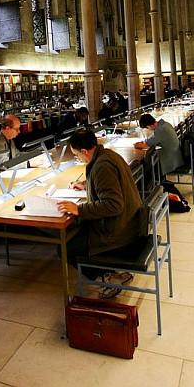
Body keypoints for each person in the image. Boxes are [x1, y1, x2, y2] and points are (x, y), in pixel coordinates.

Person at [58, 128, 142, 298]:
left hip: (120, 231)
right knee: (78, 232)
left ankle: (107, 277)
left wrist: (79, 209)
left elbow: (113, 205)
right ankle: (112, 273)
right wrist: (87, 184)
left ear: (84, 151)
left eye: (76, 155)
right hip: (131, 222)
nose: (78, 159)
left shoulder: (101, 167)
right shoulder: (107, 156)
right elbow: (109, 186)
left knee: (66, 247)